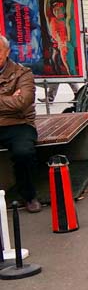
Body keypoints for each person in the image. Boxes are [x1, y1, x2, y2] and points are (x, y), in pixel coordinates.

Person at [0, 36, 41, 212]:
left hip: (19, 123)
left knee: (23, 152)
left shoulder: (22, 73)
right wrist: (10, 99)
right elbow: (15, 102)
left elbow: (23, 102)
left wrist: (15, 102)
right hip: (10, 117)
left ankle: (29, 196)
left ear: (7, 52)